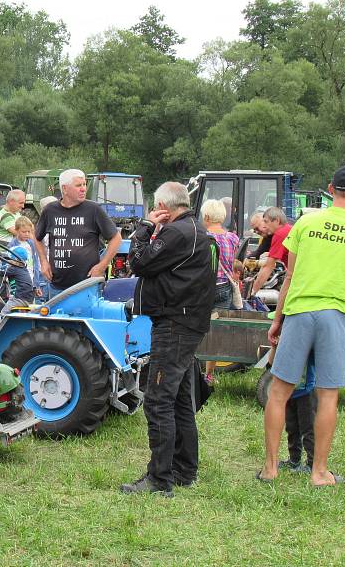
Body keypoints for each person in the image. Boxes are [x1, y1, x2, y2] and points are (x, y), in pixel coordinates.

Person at [260, 164, 345, 486]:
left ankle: (270, 468)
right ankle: (319, 472)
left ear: (330, 188)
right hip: (335, 315)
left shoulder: (306, 223)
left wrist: (277, 318)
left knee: (278, 392)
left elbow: (290, 277)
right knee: (328, 396)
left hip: (299, 312)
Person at [121, 181, 215, 496]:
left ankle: (160, 479)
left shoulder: (178, 232)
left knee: (159, 398)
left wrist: (146, 226)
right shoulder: (195, 229)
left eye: (156, 207)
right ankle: (184, 470)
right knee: (178, 399)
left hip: (175, 323)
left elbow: (139, 262)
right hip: (187, 320)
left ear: (164, 206)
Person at [34, 169, 121, 296]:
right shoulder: (50, 210)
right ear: (64, 189)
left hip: (86, 286)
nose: (83, 189)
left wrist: (102, 266)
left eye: (84, 184)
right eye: (78, 185)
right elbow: (37, 237)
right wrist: (43, 261)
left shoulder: (93, 209)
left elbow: (116, 238)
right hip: (57, 286)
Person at [201, 199, 240, 383]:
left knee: (196, 328)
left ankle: (192, 369)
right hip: (224, 287)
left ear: (206, 216)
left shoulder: (202, 237)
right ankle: (209, 375)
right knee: (215, 332)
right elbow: (231, 264)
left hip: (204, 288)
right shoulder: (232, 238)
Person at [250, 207, 291, 296]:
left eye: (266, 221)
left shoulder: (280, 234)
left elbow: (268, 267)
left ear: (276, 221)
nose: (264, 225)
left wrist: (252, 291)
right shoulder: (288, 229)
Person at [9, 215, 45, 298]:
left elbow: (35, 264)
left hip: (31, 280)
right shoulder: (12, 245)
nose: (27, 234)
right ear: (17, 230)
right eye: (24, 232)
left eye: (29, 232)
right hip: (18, 282)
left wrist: (36, 285)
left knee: (29, 304)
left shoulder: (31, 244)